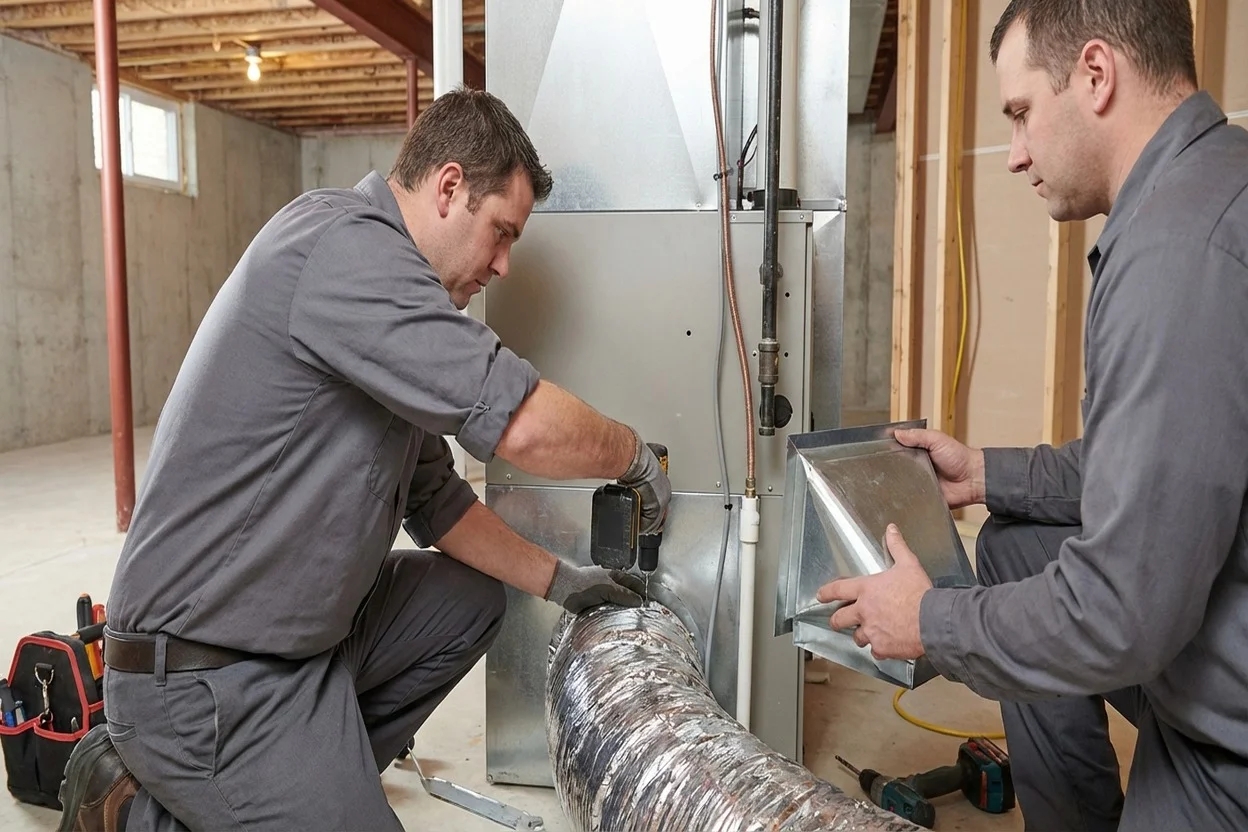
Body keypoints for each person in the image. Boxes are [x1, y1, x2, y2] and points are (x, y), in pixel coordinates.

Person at [55, 88, 671, 832]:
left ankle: (296, 779)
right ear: (449, 189)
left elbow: (438, 504)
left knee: (470, 600)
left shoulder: (391, 307)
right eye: (500, 233)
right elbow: (523, 425)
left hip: (297, 648)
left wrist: (565, 582)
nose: (503, 265)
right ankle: (143, 811)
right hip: (207, 676)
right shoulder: (344, 251)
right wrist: (635, 456)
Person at [817, 1, 1248, 829]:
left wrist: (927, 620)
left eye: (1019, 114)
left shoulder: (1177, 256)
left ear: (1095, 74)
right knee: (1014, 546)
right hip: (1206, 618)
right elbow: (1149, 467)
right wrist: (985, 475)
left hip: (1228, 732)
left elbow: (1120, 614)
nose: (1014, 155)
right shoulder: (1212, 184)